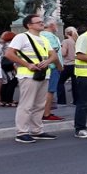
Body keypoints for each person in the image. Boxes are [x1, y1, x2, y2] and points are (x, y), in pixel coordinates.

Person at [5, 15, 60, 144]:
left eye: (42, 22)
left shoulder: (44, 38)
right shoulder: (21, 37)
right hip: (28, 75)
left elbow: (54, 55)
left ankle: (37, 131)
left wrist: (47, 62)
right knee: (27, 104)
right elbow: (9, 53)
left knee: (40, 104)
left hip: (43, 74)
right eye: (38, 22)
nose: (42, 24)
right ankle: (22, 132)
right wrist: (27, 64)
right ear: (29, 25)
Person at [41, 19, 66, 122]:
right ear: (51, 25)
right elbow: (53, 53)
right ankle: (46, 113)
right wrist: (59, 65)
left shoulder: (41, 35)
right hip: (53, 67)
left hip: (47, 66)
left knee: (45, 90)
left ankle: (44, 112)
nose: (57, 27)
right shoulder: (50, 36)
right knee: (50, 90)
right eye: (56, 25)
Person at [0, 31, 18, 107]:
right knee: (11, 83)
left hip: (3, 66)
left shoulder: (0, 46)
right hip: (8, 66)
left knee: (5, 83)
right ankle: (8, 100)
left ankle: (4, 100)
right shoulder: (10, 46)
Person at [56, 26, 77, 106]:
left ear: (66, 33)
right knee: (75, 83)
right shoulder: (77, 41)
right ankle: (76, 100)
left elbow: (64, 53)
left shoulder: (66, 41)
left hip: (67, 64)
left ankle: (61, 101)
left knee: (60, 82)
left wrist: (59, 51)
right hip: (75, 64)